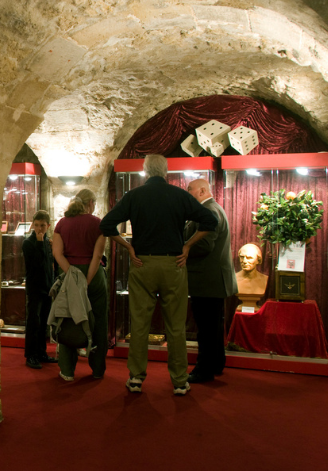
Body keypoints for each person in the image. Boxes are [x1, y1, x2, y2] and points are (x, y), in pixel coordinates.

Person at [99, 155, 218, 396]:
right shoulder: (179, 195)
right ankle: (180, 380)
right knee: (175, 326)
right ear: (166, 172)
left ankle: (136, 377)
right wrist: (187, 246)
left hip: (142, 263)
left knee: (140, 324)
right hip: (173, 263)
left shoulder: (134, 195)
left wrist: (129, 247)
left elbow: (107, 225)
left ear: (145, 171)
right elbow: (210, 221)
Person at [184, 179, 238, 384]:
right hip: (211, 280)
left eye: (189, 190)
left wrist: (182, 249)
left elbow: (204, 245)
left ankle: (204, 370)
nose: (187, 194)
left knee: (206, 328)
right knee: (213, 326)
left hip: (207, 280)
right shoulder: (213, 209)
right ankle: (215, 363)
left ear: (202, 191)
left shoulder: (209, 212)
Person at [52, 189, 108, 379]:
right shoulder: (97, 224)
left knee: (68, 319)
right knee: (99, 321)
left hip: (70, 275)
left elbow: (57, 253)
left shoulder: (62, 223)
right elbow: (97, 255)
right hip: (94, 276)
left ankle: (67, 370)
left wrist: (72, 276)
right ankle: (98, 369)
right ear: (91, 203)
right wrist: (87, 280)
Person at [22, 210, 58, 369]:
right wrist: (38, 242)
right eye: (36, 225)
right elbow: (35, 264)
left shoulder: (47, 241)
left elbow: (50, 265)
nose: (39, 229)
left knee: (44, 322)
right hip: (35, 287)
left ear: (48, 225)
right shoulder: (28, 243)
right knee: (33, 322)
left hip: (47, 287)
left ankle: (42, 353)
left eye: (42, 226)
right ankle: (31, 355)